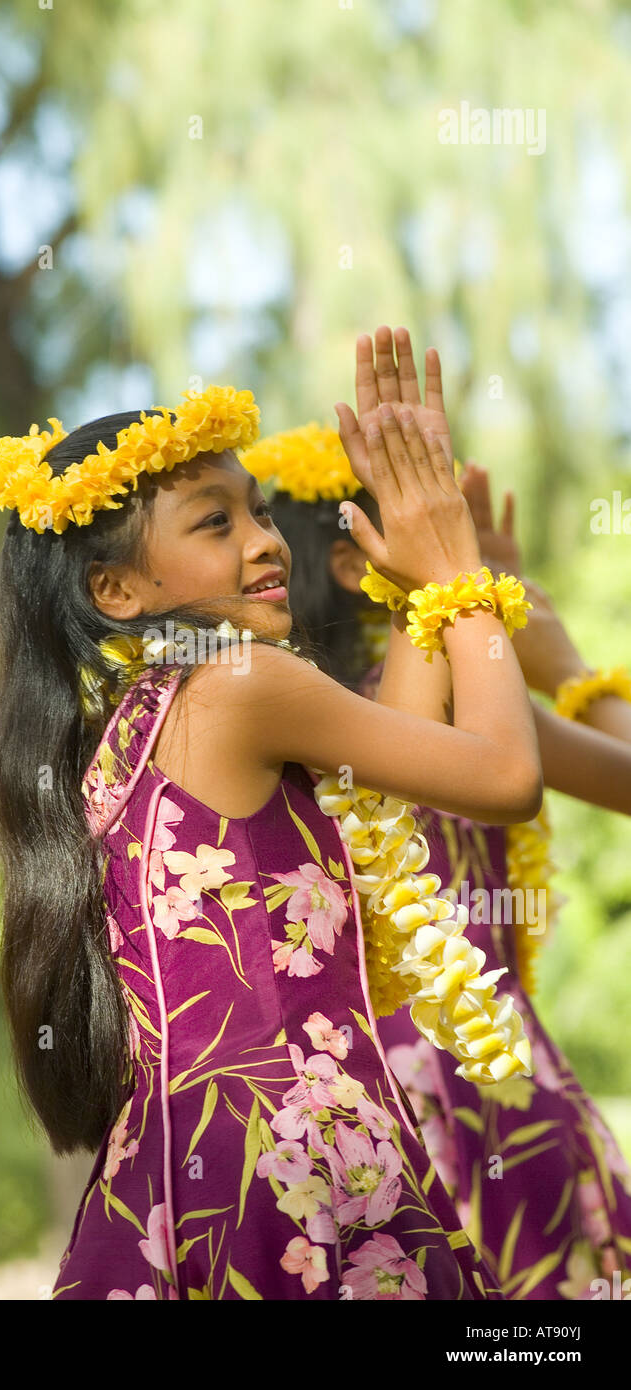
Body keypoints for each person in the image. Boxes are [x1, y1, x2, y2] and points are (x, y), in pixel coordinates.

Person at [0, 382, 543, 1300]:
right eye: (215, 523)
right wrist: (458, 573)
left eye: (262, 511)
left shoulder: (136, 723)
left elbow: (383, 778)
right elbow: (505, 777)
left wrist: (415, 600)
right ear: (114, 590)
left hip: (182, 1169)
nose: (266, 539)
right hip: (297, 1161)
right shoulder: (240, 679)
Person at [252, 325, 631, 1299]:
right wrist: (560, 666)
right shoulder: (380, 703)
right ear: (348, 561)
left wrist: (489, 621)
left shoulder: (281, 710)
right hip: (458, 1092)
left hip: (395, 1099)